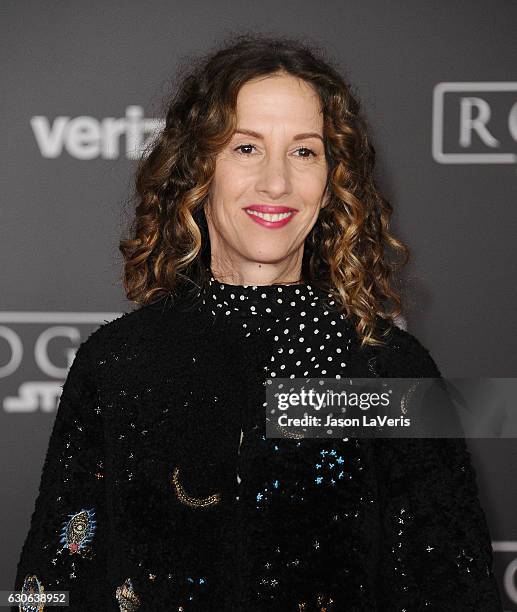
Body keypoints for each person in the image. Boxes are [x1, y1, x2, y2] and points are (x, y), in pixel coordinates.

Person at [12, 34, 502, 611]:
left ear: (332, 180)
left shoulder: (389, 370)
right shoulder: (119, 363)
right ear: (200, 169)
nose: (277, 182)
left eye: (304, 151)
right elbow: (52, 582)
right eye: (246, 148)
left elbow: (452, 589)